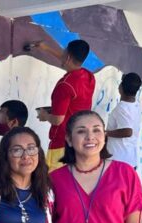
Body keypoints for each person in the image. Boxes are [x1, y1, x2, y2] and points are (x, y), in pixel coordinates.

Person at [33, 39, 96, 172]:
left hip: (61, 143)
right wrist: (46, 48)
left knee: (55, 179)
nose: (61, 54)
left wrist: (45, 116)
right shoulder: (89, 76)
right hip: (79, 139)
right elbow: (69, 61)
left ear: (68, 57)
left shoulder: (65, 85)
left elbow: (57, 120)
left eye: (64, 52)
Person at [105, 73, 142, 168]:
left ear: (120, 87)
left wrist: (106, 133)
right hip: (129, 159)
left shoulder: (122, 108)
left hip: (119, 160)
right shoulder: (136, 105)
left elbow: (127, 132)